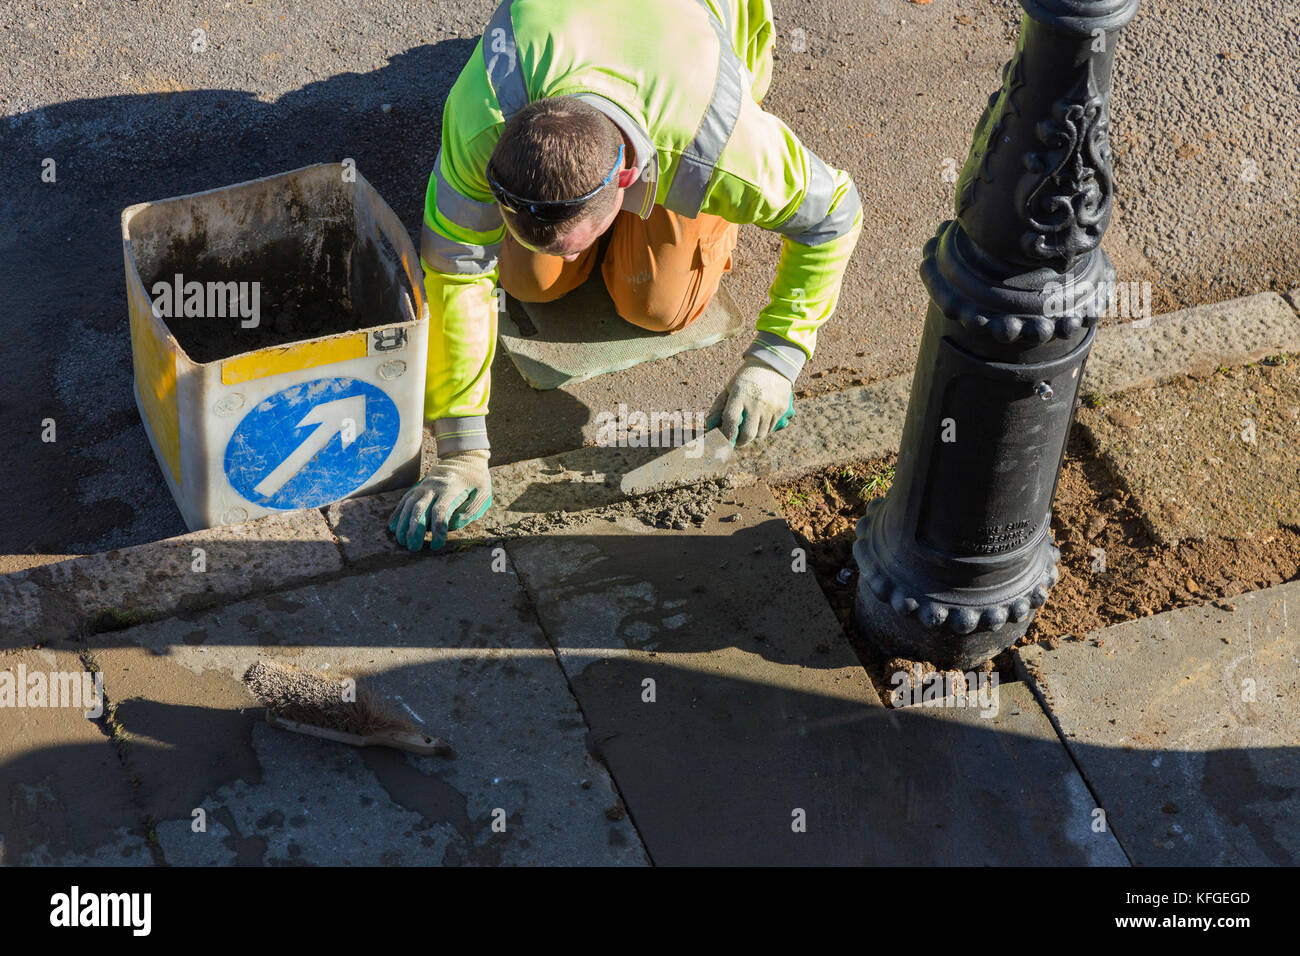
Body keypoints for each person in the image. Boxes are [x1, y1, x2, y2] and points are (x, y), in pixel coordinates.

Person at [390, 0, 862, 550]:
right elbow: (456, 266)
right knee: (528, 281)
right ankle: (581, 235)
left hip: (685, 71)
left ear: (626, 177)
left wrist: (778, 359)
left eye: (575, 246)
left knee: (657, 306)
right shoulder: (481, 119)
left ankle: (683, 224)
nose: (571, 259)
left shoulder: (717, 143)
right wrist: (460, 450)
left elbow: (834, 215)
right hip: (576, 53)